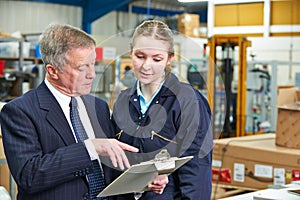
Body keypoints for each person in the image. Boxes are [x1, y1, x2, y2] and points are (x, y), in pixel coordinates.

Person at [0, 23, 167, 200]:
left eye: (92, 64)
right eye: (82, 68)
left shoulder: (98, 107)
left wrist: (140, 182)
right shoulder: (21, 111)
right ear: (52, 71)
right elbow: (29, 176)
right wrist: (90, 148)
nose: (92, 74)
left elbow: (108, 171)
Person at [111, 20, 213, 200]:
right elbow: (115, 163)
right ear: (131, 51)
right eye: (140, 56)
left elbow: (197, 172)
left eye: (156, 59)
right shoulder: (123, 100)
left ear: (170, 58)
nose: (146, 66)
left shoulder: (189, 102)